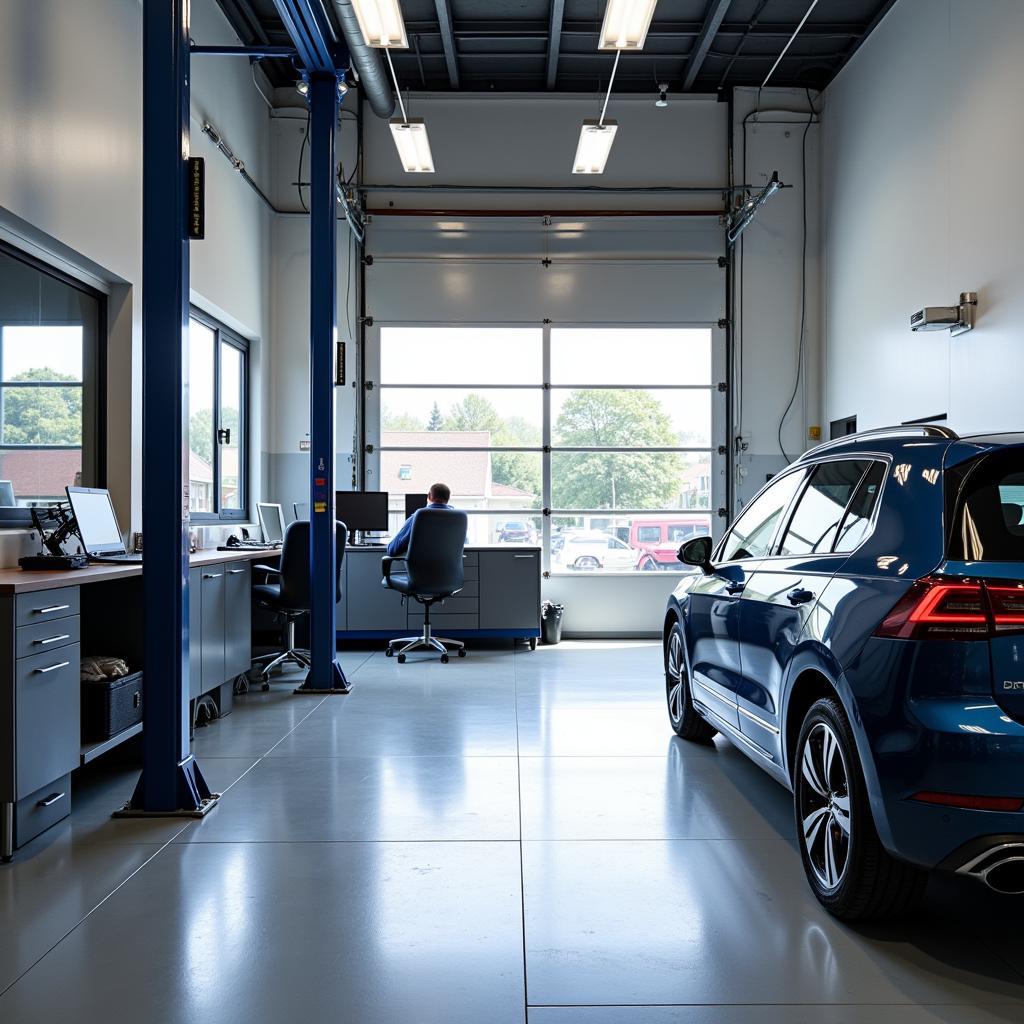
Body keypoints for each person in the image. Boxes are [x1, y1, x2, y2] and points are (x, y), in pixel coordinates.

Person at [386, 482, 453, 557]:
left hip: (420, 567)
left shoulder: (418, 517)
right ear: (448, 499)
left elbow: (392, 550)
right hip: (449, 568)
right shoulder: (457, 519)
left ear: (429, 496)